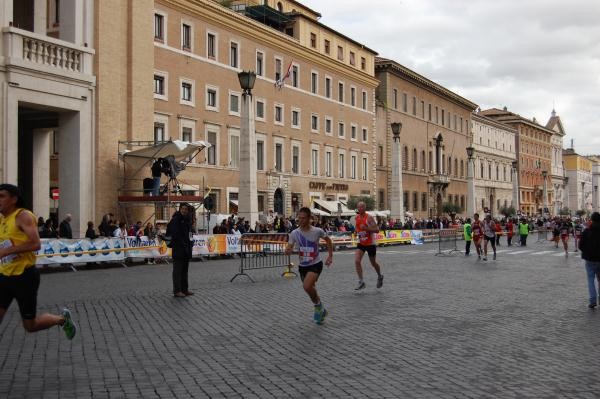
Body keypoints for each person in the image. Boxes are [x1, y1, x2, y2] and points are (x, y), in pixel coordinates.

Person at [0, 184, 76, 339]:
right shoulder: (3, 219)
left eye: (2, 196)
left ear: (14, 199)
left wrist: (7, 251)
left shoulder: (23, 216)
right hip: (4, 276)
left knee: (30, 325)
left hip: (24, 277)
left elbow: (36, 243)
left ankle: (62, 320)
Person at [285, 207, 333, 324]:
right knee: (311, 289)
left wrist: (330, 256)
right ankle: (321, 309)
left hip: (315, 264)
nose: (300, 220)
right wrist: (288, 250)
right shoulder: (294, 233)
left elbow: (328, 241)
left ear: (309, 218)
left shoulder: (317, 231)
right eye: (299, 218)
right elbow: (289, 246)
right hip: (303, 266)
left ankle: (317, 308)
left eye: (303, 218)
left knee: (307, 286)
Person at [353, 201, 383, 290]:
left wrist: (366, 228)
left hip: (370, 243)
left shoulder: (369, 218)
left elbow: (377, 230)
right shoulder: (356, 218)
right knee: (357, 261)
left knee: (373, 263)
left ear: (365, 208)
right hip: (361, 243)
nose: (360, 208)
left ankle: (380, 275)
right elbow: (357, 228)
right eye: (359, 207)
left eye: (362, 207)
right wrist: (356, 232)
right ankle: (361, 281)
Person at [166, 203, 194, 298]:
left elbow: (190, 234)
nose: (184, 210)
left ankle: (184, 289)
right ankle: (177, 291)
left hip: (186, 249)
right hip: (178, 248)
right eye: (183, 209)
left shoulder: (187, 220)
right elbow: (175, 234)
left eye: (186, 209)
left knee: (185, 271)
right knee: (177, 271)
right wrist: (181, 243)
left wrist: (190, 243)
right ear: (180, 209)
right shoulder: (176, 220)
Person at [578, 212, 600, 309]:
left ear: (591, 220)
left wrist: (587, 252)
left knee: (590, 280)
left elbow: (580, 245)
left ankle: (592, 301)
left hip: (589, 259)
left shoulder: (586, 231)